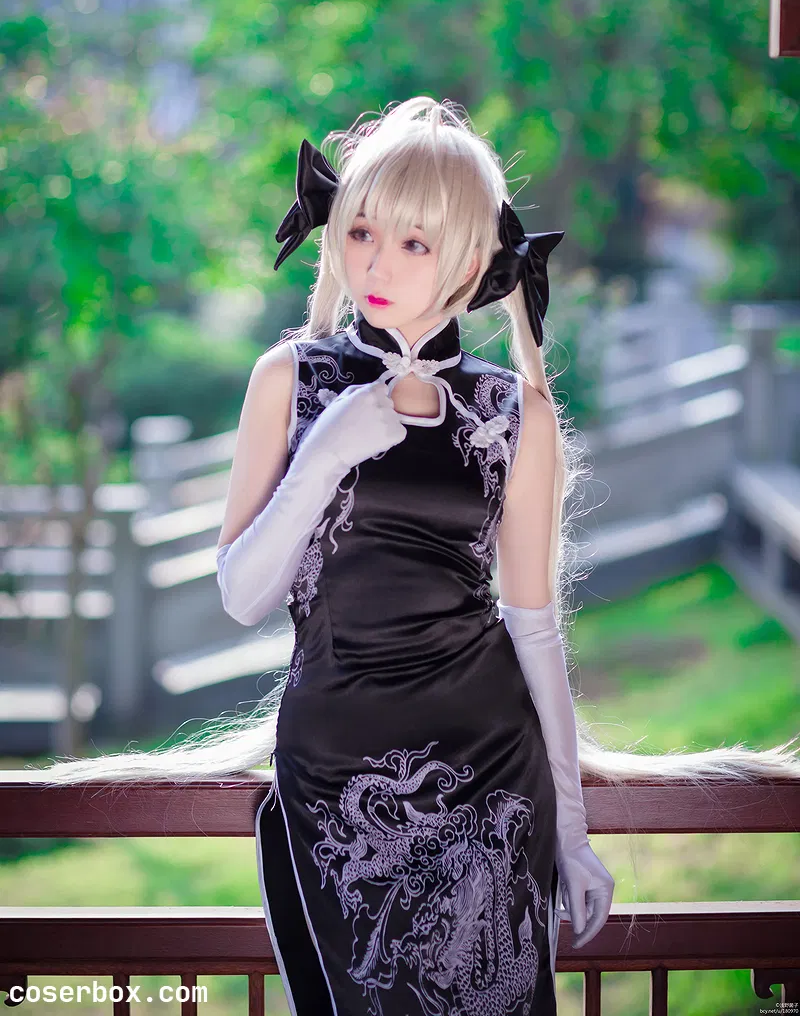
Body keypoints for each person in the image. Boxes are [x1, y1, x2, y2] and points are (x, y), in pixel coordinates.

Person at [36, 98, 800, 1016]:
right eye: (361, 231)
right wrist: (324, 456)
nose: (376, 263)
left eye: (413, 243)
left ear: (471, 263)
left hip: (492, 770)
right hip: (335, 777)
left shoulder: (513, 410)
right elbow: (242, 593)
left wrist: (571, 826)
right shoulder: (291, 380)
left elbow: (533, 625)